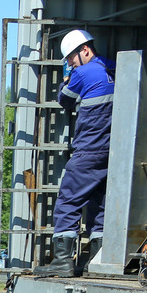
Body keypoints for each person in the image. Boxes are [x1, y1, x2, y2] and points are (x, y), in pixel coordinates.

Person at [37, 28, 115, 277]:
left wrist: (67, 78)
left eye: (71, 57)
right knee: (99, 205)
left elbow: (65, 99)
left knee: (68, 200)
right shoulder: (114, 69)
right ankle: (95, 261)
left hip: (89, 149)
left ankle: (62, 261)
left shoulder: (82, 72)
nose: (70, 63)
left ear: (85, 50)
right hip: (112, 153)